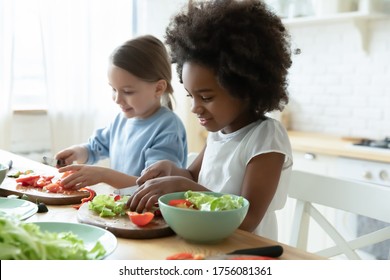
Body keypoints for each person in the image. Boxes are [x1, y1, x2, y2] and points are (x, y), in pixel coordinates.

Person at [127, 0, 293, 241]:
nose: (195, 108)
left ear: (244, 87)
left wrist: (183, 187)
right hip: (208, 243)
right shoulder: (219, 132)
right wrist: (173, 171)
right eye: (191, 96)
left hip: (247, 253)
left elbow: (247, 219)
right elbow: (193, 178)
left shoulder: (265, 137)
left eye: (206, 97)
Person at [56, 35, 188, 190]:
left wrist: (103, 175)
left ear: (158, 88)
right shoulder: (122, 120)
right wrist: (76, 152)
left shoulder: (168, 127)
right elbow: (94, 148)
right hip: (121, 208)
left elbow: (154, 186)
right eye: (113, 89)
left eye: (127, 91)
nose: (117, 99)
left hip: (150, 213)